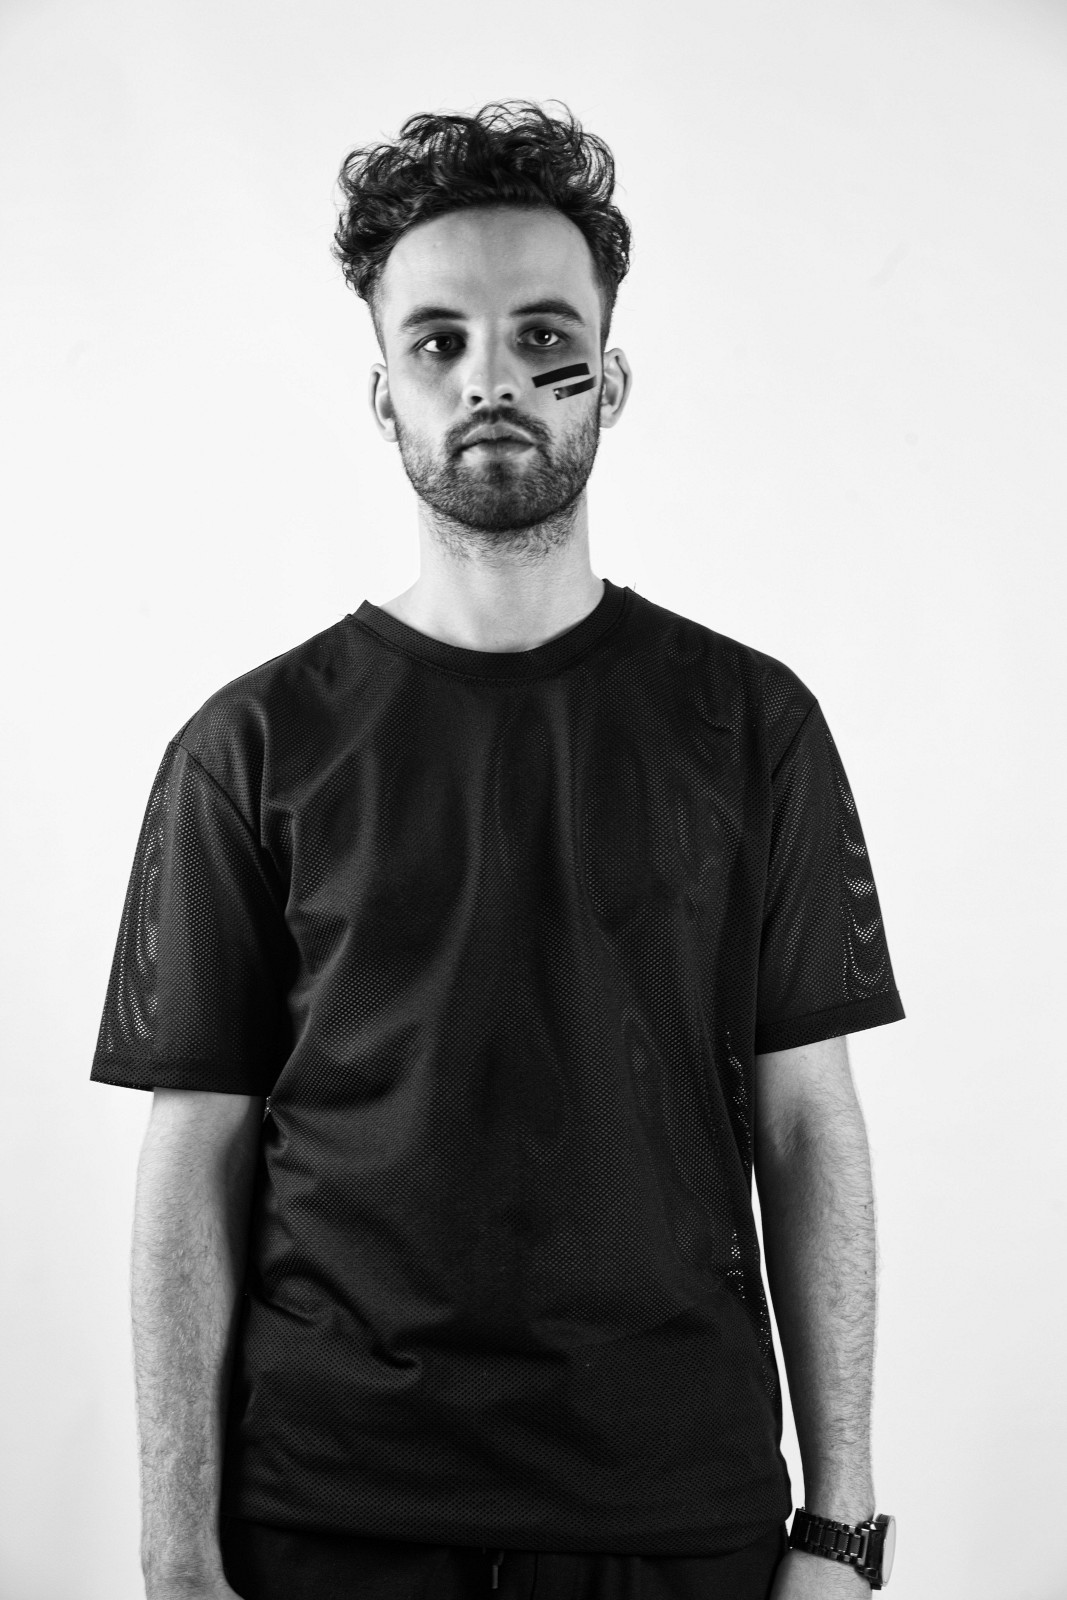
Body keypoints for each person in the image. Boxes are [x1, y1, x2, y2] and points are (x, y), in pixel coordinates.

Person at [91, 100, 905, 1600]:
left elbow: (808, 1125)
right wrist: (175, 1555)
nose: (492, 381)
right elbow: (193, 1153)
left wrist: (843, 1526)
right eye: (440, 341)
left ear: (612, 378)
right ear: (384, 393)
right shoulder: (246, 748)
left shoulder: (754, 726)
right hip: (331, 1521)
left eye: (543, 336)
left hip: (678, 1517)